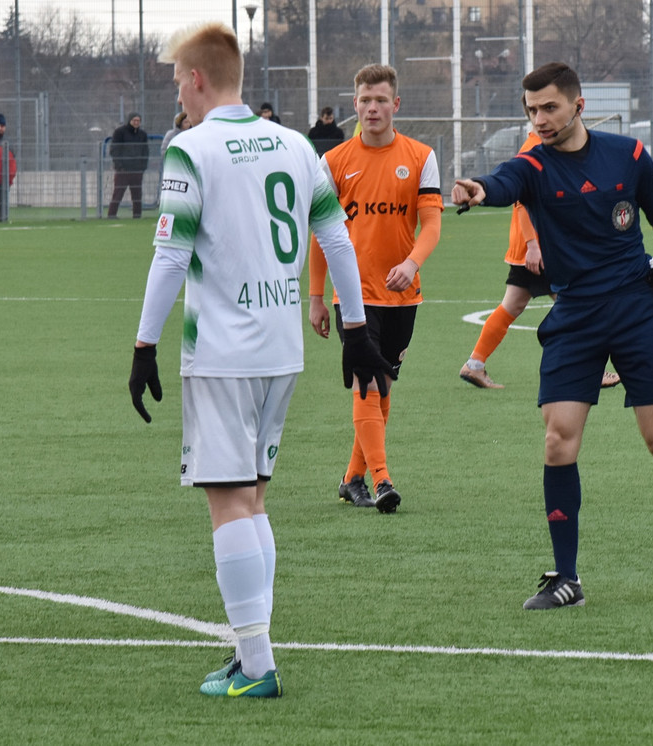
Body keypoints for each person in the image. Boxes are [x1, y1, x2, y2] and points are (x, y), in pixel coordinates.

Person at [128, 22, 392, 699]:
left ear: (195, 79)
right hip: (281, 351)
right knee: (252, 499)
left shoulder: (191, 148)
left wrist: (143, 345)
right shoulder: (297, 145)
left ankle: (256, 666)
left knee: (228, 502)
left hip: (220, 353)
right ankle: (252, 654)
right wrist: (358, 329)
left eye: (175, 82)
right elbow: (334, 236)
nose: (176, 96)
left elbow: (170, 253)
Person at [451, 62, 653, 610]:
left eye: (549, 107)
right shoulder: (533, 166)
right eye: (530, 111)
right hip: (574, 315)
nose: (540, 119)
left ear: (578, 105)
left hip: (637, 310)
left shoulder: (628, 155)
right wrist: (480, 190)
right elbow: (504, 182)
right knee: (557, 439)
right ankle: (566, 579)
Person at [308, 63, 444, 513]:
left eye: (381, 100)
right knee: (366, 384)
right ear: (354, 106)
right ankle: (383, 481)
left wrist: (412, 262)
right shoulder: (333, 163)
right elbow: (321, 235)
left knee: (383, 387)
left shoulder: (421, 157)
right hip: (354, 298)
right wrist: (315, 296)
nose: (372, 108)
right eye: (365, 100)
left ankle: (352, 479)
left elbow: (431, 225)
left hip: (404, 295)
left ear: (395, 104)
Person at [458, 130, 620, 391]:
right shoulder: (534, 148)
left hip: (540, 246)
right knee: (579, 305)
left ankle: (475, 364)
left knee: (513, 305)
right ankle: (592, 370)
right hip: (539, 248)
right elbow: (522, 202)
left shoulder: (550, 146)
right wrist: (533, 246)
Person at [108, 112, 149, 218]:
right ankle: (111, 215)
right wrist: (119, 166)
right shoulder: (119, 132)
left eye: (138, 121)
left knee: (137, 194)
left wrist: (143, 167)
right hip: (123, 170)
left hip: (137, 170)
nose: (136, 123)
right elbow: (114, 150)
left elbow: (145, 151)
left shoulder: (142, 134)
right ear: (129, 120)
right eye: (134, 120)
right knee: (118, 193)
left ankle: (137, 215)